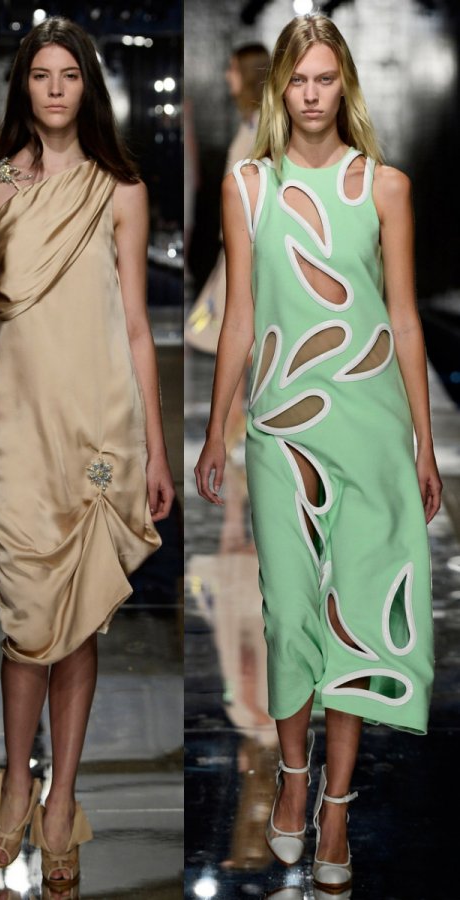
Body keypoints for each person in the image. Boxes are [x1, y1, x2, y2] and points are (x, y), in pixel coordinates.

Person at [195, 13, 441, 893]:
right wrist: (216, 426)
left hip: (370, 429)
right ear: (279, 89)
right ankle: (292, 779)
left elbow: (404, 318)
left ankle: (334, 809)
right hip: (281, 429)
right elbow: (239, 317)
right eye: (297, 80)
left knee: (357, 617)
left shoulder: (385, 187)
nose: (310, 95)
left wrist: (424, 443)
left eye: (325, 79)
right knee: (290, 614)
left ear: (346, 87)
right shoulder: (248, 187)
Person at [0, 15, 174, 891]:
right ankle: (15, 784)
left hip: (100, 433)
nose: (54, 89)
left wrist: (156, 450)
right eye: (41, 74)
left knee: (80, 626)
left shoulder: (120, 188)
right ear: (24, 85)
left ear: (90, 86)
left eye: (70, 75)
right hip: (17, 433)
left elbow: (138, 327)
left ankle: (61, 805)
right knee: (26, 630)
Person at [185, 43, 269, 450]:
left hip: (250, 248)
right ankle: (236, 418)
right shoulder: (250, 122)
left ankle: (241, 419)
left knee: (232, 332)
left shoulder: (264, 125)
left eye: (233, 69)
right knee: (216, 327)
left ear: (247, 74)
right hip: (234, 247)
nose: (226, 75)